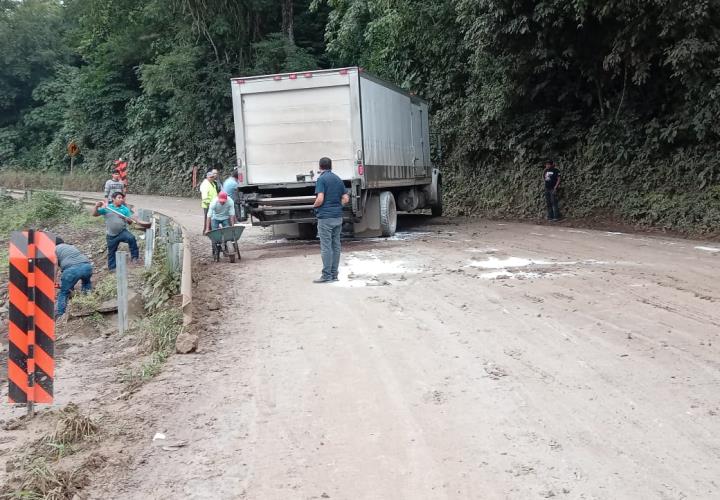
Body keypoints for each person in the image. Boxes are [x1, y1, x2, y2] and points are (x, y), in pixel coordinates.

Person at [312, 157, 349, 283]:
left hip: (325, 218)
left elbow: (320, 198)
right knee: (336, 245)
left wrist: (314, 206)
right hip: (337, 217)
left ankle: (326, 275)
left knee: (326, 247)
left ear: (320, 166)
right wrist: (337, 206)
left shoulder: (321, 179)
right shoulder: (338, 179)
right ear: (331, 166)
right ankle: (334, 274)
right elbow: (345, 198)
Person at [92, 192, 140, 270]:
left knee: (131, 238)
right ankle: (112, 268)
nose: (121, 199)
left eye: (122, 198)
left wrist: (125, 218)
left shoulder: (124, 209)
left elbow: (130, 222)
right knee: (111, 251)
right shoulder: (107, 208)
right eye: (119, 198)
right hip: (111, 235)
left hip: (122, 232)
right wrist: (96, 206)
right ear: (113, 199)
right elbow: (94, 214)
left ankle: (134, 257)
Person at [54, 237, 93, 318]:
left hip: (71, 270)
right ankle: (88, 305)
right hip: (87, 266)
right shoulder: (71, 246)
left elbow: (55, 266)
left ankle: (60, 315)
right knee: (86, 283)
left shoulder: (54, 249)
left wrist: (53, 279)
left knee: (63, 292)